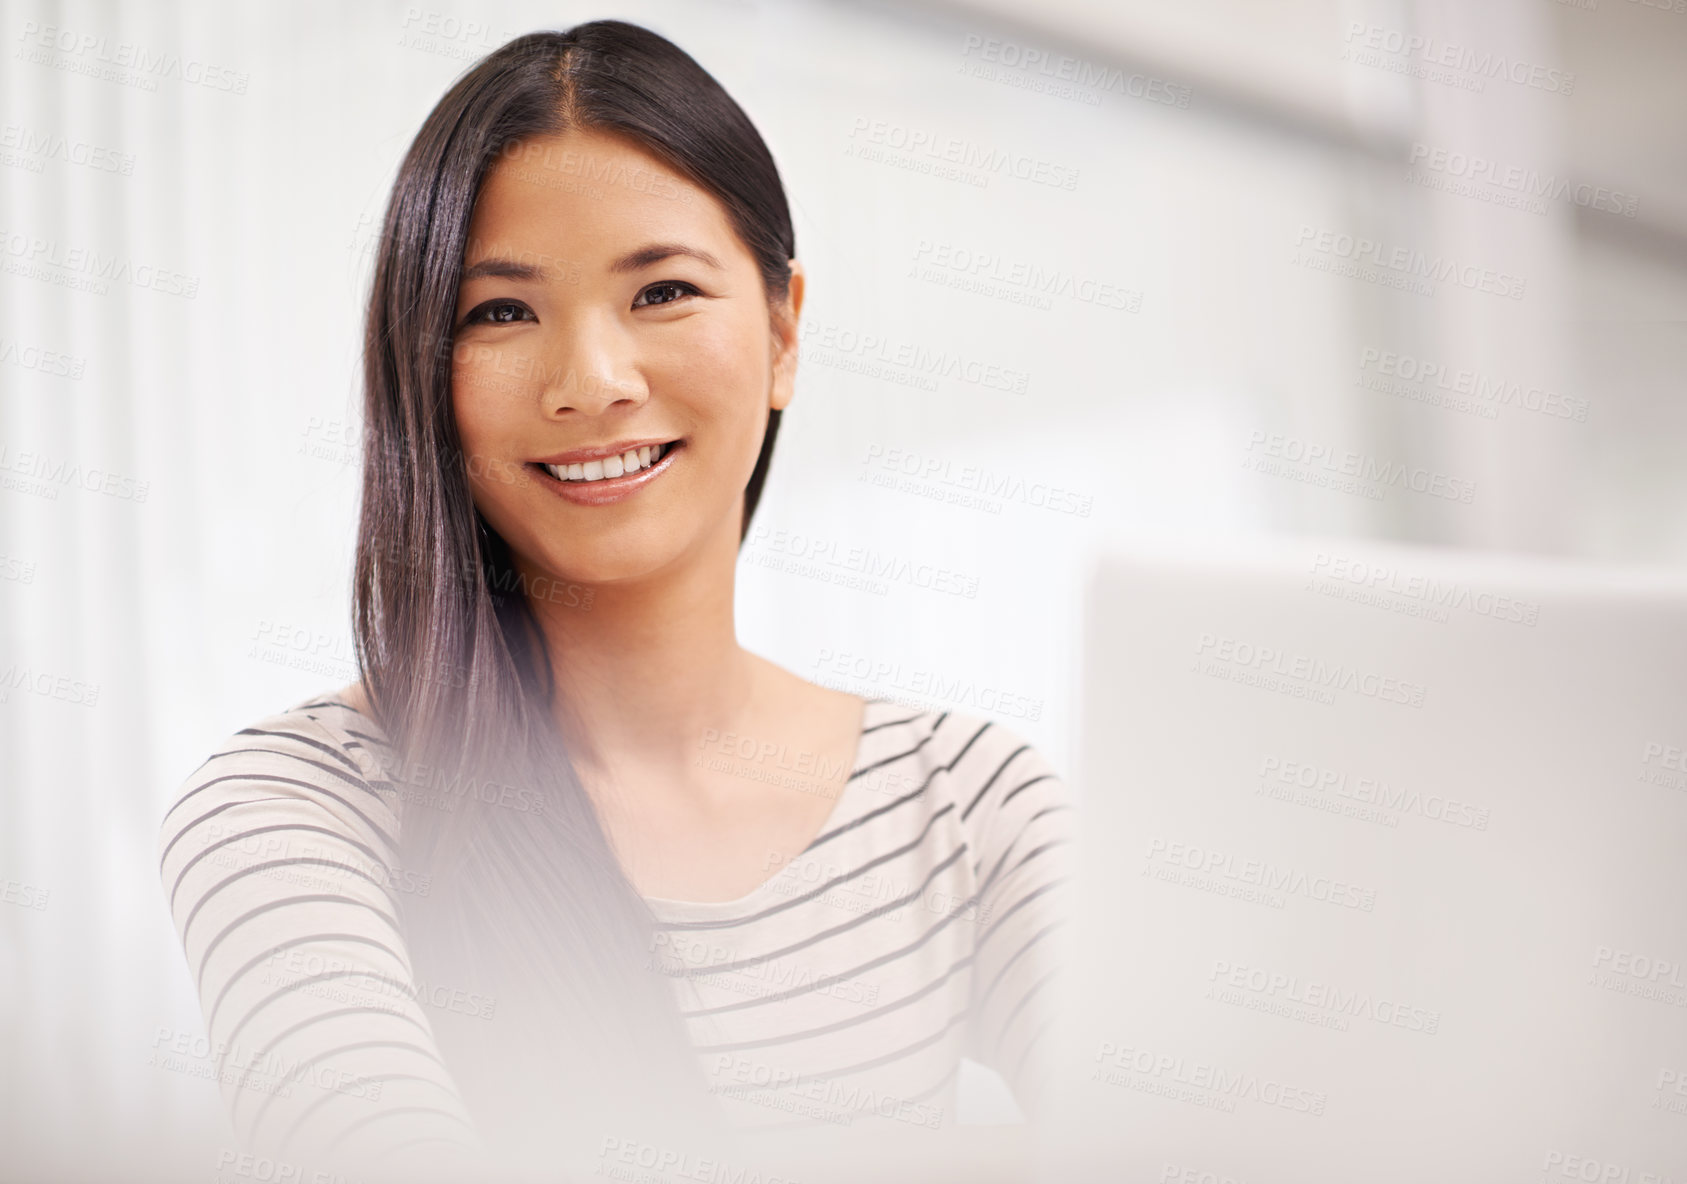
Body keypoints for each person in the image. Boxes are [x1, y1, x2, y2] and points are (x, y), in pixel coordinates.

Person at [157, 19, 1073, 1182]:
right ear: (420, 366)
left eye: (664, 291)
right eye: (500, 312)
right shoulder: (296, 815)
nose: (592, 381)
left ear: (785, 330)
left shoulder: (966, 802)